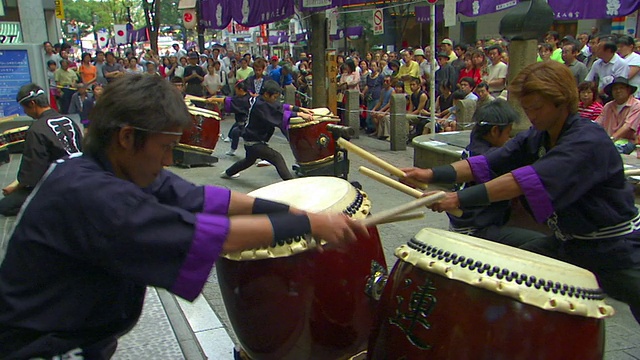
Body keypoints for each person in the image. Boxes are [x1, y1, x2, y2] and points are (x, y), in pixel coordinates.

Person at [0, 74, 366, 360]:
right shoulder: (96, 195)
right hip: (38, 348)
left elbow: (204, 199)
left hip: (77, 338)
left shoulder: (111, 168)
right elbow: (219, 235)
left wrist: (293, 209)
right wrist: (311, 224)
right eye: (165, 147)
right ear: (127, 137)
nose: (167, 161)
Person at [401, 60, 640, 326]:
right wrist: (430, 174)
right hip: (571, 244)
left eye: (536, 108)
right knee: (515, 276)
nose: (531, 115)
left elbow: (523, 181)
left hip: (616, 249)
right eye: (527, 109)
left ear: (561, 101)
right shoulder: (539, 136)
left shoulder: (586, 140)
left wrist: (457, 198)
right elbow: (490, 163)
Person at [443, 99, 545, 246]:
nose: (509, 139)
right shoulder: (491, 158)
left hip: (462, 222)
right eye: (508, 133)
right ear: (495, 131)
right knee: (540, 242)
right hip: (475, 229)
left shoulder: (473, 147)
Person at [0, 84, 82, 216]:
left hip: (58, 184)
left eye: (24, 108)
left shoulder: (37, 129)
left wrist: (16, 186)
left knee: (5, 206)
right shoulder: (69, 121)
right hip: (81, 177)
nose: (25, 112)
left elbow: (32, 173)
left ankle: (55, 206)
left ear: (32, 103)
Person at [221, 80, 314, 180]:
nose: (275, 100)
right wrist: (299, 114)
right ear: (266, 94)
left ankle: (227, 173)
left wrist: (299, 109)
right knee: (277, 158)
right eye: (274, 97)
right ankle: (291, 183)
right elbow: (279, 114)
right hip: (254, 143)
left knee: (249, 160)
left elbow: (279, 106)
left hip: (251, 141)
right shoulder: (261, 105)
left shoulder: (262, 101)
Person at [595, 77, 640, 154]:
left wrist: (611, 139)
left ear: (628, 90)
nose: (618, 91)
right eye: (615, 89)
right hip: (607, 141)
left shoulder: (636, 105)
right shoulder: (608, 106)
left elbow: (628, 126)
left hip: (627, 143)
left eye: (621, 88)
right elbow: (597, 123)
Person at [207, 81, 252, 156]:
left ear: (241, 90)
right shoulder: (245, 96)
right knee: (234, 131)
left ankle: (246, 152)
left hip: (248, 122)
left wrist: (213, 99)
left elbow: (227, 101)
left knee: (236, 132)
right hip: (241, 121)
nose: (235, 92)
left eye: (236, 90)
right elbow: (228, 98)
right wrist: (214, 98)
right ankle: (232, 147)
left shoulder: (244, 100)